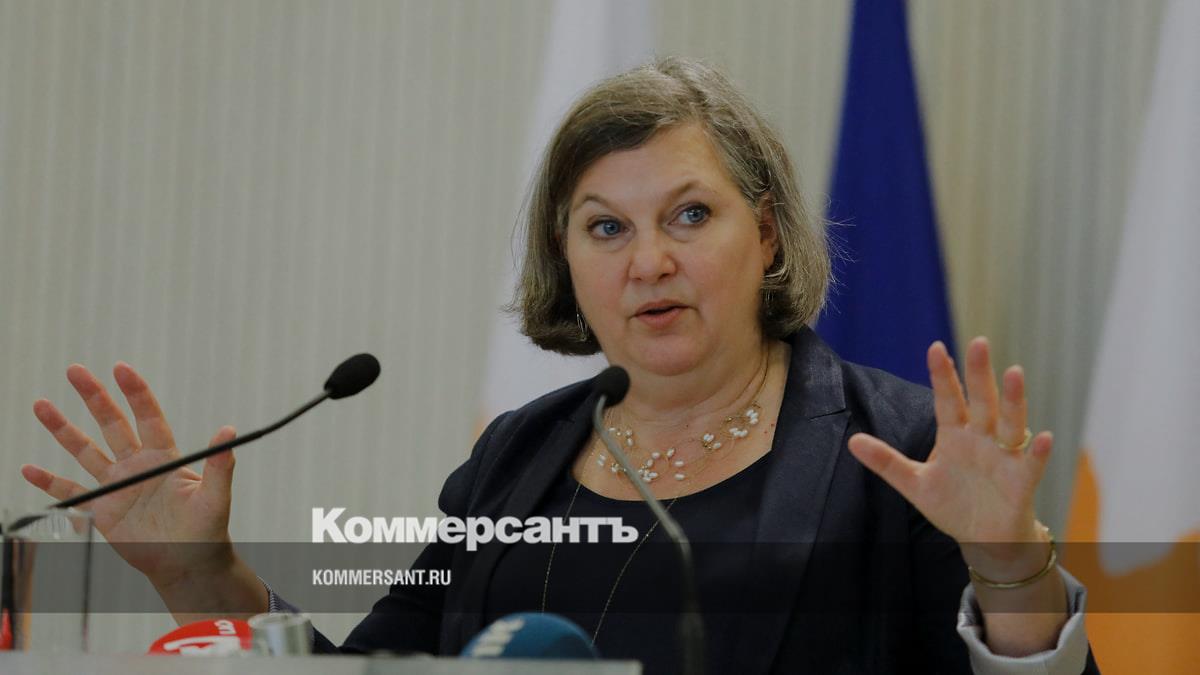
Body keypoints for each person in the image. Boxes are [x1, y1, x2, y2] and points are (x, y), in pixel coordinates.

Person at [20, 57, 1099, 673]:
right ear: (568, 260)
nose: (650, 261)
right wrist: (197, 573)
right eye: (606, 227)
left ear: (767, 232)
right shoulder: (516, 458)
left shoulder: (895, 447)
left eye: (690, 214)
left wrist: (1010, 565)